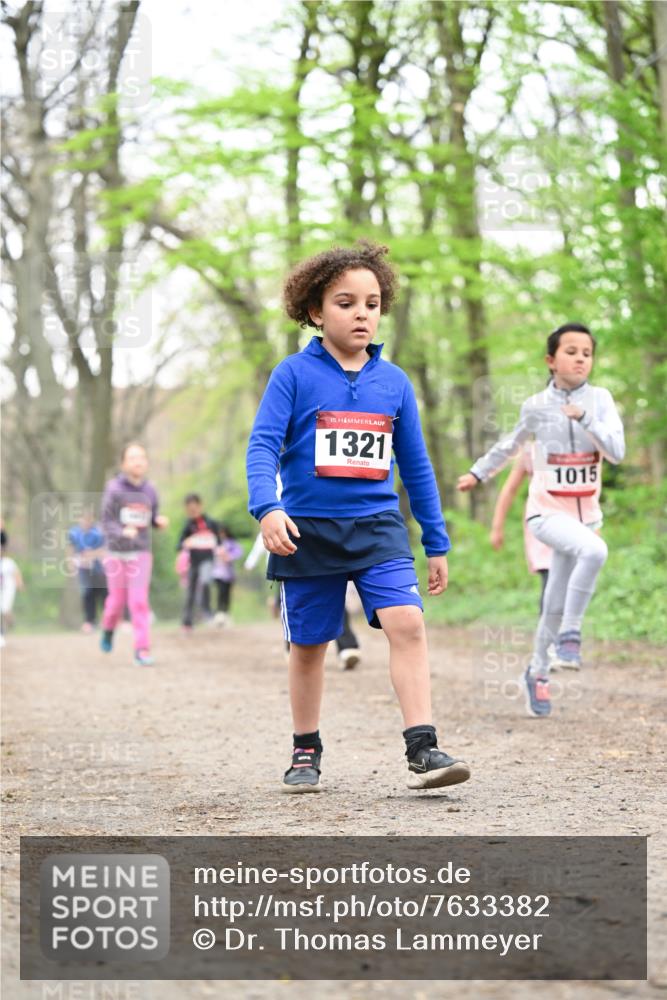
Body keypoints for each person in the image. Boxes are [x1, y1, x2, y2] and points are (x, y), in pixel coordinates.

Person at [247, 240, 471, 793]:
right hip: (306, 531)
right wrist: (267, 507)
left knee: (408, 623)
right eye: (345, 303)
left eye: (371, 304)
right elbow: (262, 446)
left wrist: (436, 542)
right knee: (309, 646)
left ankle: (423, 749)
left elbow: (416, 467)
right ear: (316, 311)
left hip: (377, 527)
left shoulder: (394, 383)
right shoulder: (292, 374)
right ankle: (306, 748)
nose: (361, 314)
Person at [458, 323, 624, 717]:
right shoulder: (536, 406)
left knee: (553, 600)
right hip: (546, 511)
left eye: (587, 353)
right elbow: (510, 444)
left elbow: (617, 452)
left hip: (586, 515)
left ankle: (536, 671)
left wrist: (586, 419)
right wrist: (479, 472)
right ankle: (570, 635)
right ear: (551, 360)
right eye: (571, 351)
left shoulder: (600, 400)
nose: (580, 359)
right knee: (596, 552)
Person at [99, 443, 169, 665]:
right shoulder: (114, 488)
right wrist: (122, 532)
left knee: (138, 602)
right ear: (123, 463)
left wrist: (158, 521)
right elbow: (106, 521)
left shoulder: (150, 490)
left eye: (141, 457)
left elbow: (151, 516)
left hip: (140, 552)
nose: (138, 461)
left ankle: (142, 650)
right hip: (116, 553)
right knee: (115, 604)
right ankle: (108, 629)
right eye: (132, 457)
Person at [490, 445, 553, 613]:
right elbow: (510, 489)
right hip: (541, 520)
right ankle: (548, 628)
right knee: (550, 575)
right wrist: (497, 527)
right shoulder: (531, 451)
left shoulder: (572, 446)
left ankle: (565, 626)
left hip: (569, 519)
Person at [177, 494, 220, 632]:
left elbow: (219, 542)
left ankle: (207, 612)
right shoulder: (188, 525)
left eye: (194, 508)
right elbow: (179, 545)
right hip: (193, 562)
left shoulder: (211, 523)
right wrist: (187, 542)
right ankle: (187, 621)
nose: (193, 511)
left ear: (200, 506)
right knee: (190, 591)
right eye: (190, 509)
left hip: (207, 560)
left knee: (206, 580)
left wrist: (219, 548)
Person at [67, 509, 107, 632]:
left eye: (89, 519)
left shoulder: (99, 531)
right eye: (83, 519)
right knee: (87, 593)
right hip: (84, 569)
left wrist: (92, 554)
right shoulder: (74, 532)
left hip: (100, 568)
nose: (86, 522)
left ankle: (106, 620)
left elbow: (105, 549)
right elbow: (70, 548)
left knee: (103, 593)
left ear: (92, 520)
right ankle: (89, 621)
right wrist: (70, 562)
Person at [211, 525, 243, 627]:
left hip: (228, 574)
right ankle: (219, 614)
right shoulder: (215, 543)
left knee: (227, 594)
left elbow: (238, 552)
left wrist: (229, 557)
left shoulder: (231, 543)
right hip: (217, 573)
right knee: (220, 593)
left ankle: (226, 613)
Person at [0, 530, 24, 648]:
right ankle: (2, 633)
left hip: (8, 589)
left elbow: (16, 573)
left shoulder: (8, 562)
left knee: (5, 610)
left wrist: (20, 584)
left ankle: (10, 622)